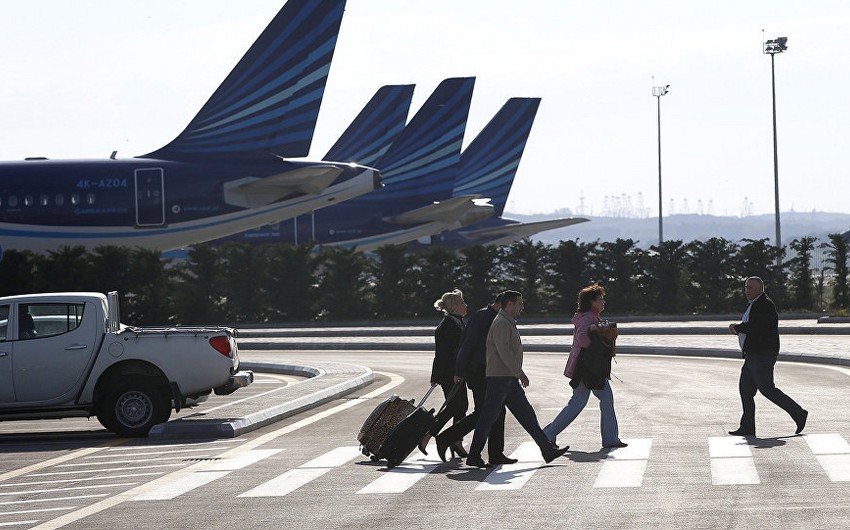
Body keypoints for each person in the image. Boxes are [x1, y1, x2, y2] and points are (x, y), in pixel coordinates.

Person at [466, 290, 570, 468]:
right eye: (519, 303)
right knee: (487, 418)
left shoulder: (507, 322)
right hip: (499, 379)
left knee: (527, 416)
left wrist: (515, 374)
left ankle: (547, 449)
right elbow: (504, 351)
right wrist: (519, 372)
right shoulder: (501, 323)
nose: (522, 307)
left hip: (508, 379)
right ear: (509, 305)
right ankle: (474, 455)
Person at [434, 293, 517, 465]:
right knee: (484, 413)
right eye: (517, 305)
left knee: (495, 411)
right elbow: (467, 346)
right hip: (479, 373)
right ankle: (448, 439)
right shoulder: (483, 317)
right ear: (503, 304)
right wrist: (459, 371)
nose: (519, 309)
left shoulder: (494, 318)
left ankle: (495, 453)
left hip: (490, 372)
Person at [544, 284, 627, 449]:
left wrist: (599, 329)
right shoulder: (587, 318)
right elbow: (582, 338)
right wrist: (598, 335)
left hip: (592, 368)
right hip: (586, 369)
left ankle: (610, 438)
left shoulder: (591, 317)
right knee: (578, 403)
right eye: (600, 299)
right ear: (591, 302)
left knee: (605, 398)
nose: (603, 302)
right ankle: (547, 434)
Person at [728, 276, 808, 436]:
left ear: (760, 289)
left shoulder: (764, 305)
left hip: (762, 355)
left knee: (767, 389)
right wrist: (739, 329)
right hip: (753, 355)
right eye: (746, 287)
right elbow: (753, 327)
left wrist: (738, 328)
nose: (747, 290)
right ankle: (747, 426)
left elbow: (756, 327)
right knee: (745, 390)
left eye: (750, 287)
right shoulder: (755, 304)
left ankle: (799, 413)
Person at [419, 289, 469, 456]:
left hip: (458, 372)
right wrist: (436, 377)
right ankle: (429, 435)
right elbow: (441, 354)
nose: (465, 305)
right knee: (455, 406)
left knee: (461, 407)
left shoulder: (458, 322)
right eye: (462, 303)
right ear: (454, 307)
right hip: (450, 374)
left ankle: (455, 440)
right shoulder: (446, 327)